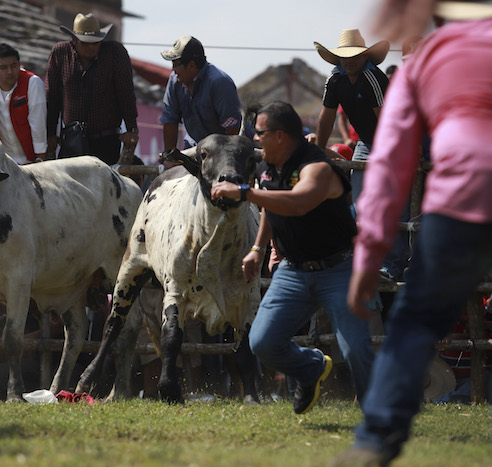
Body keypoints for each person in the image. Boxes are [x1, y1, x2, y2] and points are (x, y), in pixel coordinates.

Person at [336, 2, 492, 464]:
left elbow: (388, 168)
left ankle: (376, 438)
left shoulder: (421, 66)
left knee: (416, 320)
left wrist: (368, 259)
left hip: (460, 195)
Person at [210, 101, 374, 414]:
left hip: (338, 268)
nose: (255, 138)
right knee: (263, 343)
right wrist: (259, 249)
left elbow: (299, 202)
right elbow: (272, 206)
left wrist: (244, 192)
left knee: (355, 349)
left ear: (281, 136)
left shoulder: (317, 166)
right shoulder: (269, 166)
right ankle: (311, 368)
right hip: (293, 270)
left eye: (260, 133)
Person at [45, 13, 139, 164]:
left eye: (96, 43)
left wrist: (131, 129)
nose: (91, 47)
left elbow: (126, 92)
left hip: (107, 140)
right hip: (72, 139)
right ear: (74, 40)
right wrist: (50, 133)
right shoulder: (60, 53)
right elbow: (52, 97)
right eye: (86, 43)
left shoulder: (114, 53)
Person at [314, 28, 390, 205]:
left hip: (388, 141)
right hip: (365, 142)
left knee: (390, 200)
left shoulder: (373, 78)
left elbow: (387, 121)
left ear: (365, 56)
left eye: (355, 55)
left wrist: (392, 152)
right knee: (358, 199)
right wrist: (318, 150)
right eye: (345, 56)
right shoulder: (334, 79)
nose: (350, 60)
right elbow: (326, 117)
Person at [160, 36, 242, 151]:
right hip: (194, 148)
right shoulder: (175, 81)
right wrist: (169, 156)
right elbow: (170, 119)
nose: (173, 69)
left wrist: (224, 158)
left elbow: (232, 129)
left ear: (191, 65)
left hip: (222, 150)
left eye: (176, 64)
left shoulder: (219, 83)